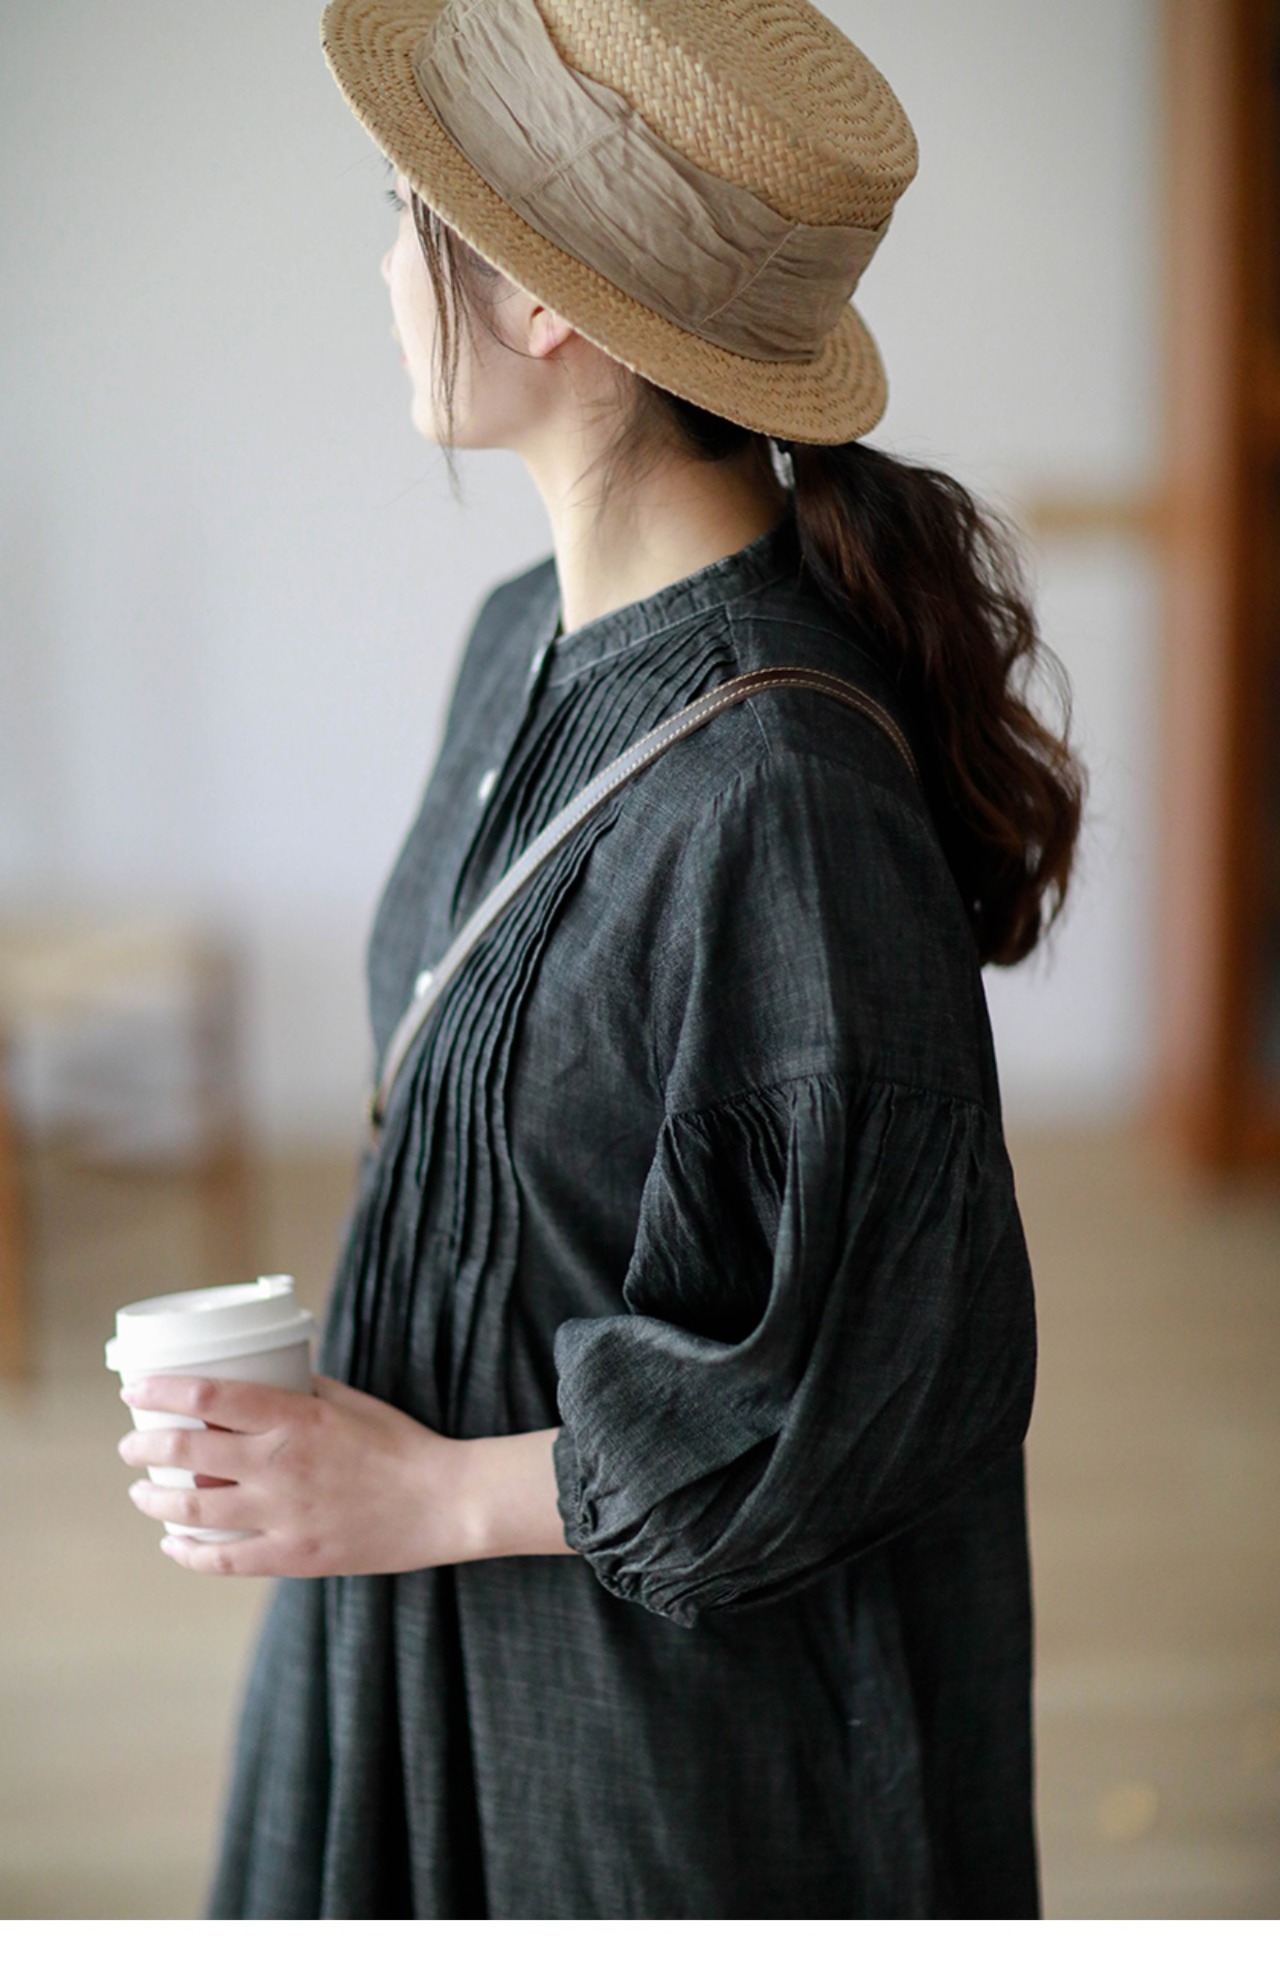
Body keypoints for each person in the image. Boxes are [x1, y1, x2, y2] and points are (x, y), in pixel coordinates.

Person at [115, 0, 1085, 1918]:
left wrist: (419, 1493)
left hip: (657, 1753)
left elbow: (866, 1382)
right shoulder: (517, 639)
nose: (383, 268)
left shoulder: (778, 800)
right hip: (418, 1634)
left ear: (549, 298)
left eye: (405, 215)